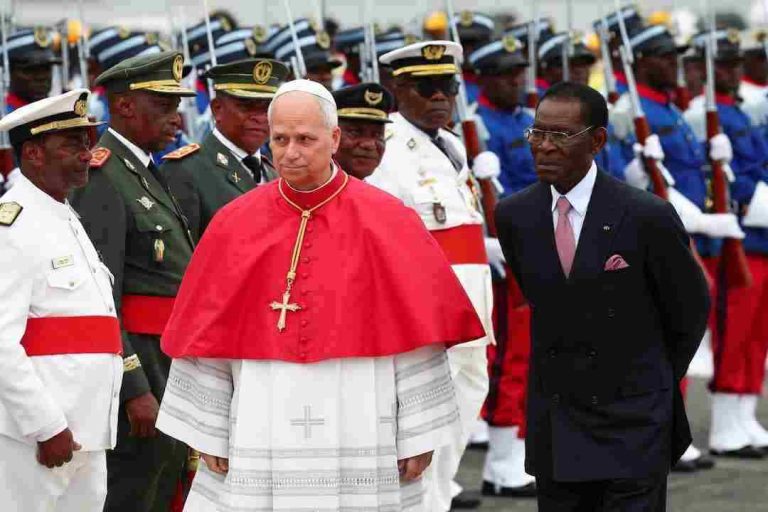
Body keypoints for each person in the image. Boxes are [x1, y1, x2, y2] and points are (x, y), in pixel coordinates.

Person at [155, 79, 485, 511]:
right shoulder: (233, 224)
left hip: (363, 415)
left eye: (305, 139)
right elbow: (208, 336)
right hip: (260, 415)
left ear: (333, 139)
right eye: (280, 139)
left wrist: (418, 433)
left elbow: (416, 335)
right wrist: (209, 428)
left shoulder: (388, 220)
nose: (291, 152)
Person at [496, 81, 710, 511]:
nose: (545, 147)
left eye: (561, 136)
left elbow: (688, 310)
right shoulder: (515, 215)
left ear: (596, 141)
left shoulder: (645, 214)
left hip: (631, 420)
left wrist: (650, 380)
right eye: (538, 133)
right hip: (558, 420)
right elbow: (548, 300)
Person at [611, 25, 746, 466]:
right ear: (643, 62)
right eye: (665, 57)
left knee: (681, 341)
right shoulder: (631, 110)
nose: (675, 65)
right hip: (652, 241)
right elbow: (634, 184)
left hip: (686, 236)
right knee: (656, 344)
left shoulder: (666, 109)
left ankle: (671, 430)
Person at [69, 50, 197, 512]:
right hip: (142, 363)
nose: (175, 115)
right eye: (162, 104)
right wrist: (134, 386)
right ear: (124, 106)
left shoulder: (142, 169)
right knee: (135, 490)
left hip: (168, 356)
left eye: (176, 104)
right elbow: (105, 294)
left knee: (162, 485)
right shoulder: (105, 176)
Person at [371, 40, 496, 512]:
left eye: (448, 87)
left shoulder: (452, 145)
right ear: (397, 89)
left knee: (465, 404)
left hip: (470, 307)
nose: (441, 98)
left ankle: (437, 499)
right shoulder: (388, 148)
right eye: (427, 89)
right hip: (428, 311)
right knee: (422, 420)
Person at [0, 89, 121, 510]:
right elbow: (2, 343)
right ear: (33, 153)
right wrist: (45, 426)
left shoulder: (64, 215)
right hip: (38, 437)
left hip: (85, 430)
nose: (87, 154)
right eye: (72, 144)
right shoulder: (14, 225)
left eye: (87, 143)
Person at [684, 28, 768, 457]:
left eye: (736, 64)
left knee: (756, 334)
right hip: (738, 234)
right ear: (704, 68)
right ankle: (724, 423)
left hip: (758, 232)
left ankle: (744, 414)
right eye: (724, 64)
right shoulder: (702, 113)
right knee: (733, 331)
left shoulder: (746, 109)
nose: (732, 72)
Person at [467, 35, 538, 499]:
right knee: (510, 358)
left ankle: (516, 455)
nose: (516, 81)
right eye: (506, 74)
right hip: (505, 256)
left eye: (519, 73)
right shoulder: (475, 124)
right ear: (485, 78)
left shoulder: (530, 122)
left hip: (541, 248)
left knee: (533, 359)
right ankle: (502, 461)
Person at [164, 58, 287, 241]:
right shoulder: (185, 171)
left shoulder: (274, 172)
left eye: (267, 108)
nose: (259, 118)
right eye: (246, 106)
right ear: (217, 109)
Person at [331, 82, 393, 180]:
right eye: (355, 132)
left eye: (378, 135)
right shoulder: (306, 190)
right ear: (331, 136)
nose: (369, 144)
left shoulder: (388, 186)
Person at [0, 27, 60, 112]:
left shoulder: (61, 111)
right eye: (30, 70)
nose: (42, 76)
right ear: (8, 73)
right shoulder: (3, 118)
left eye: (47, 68)